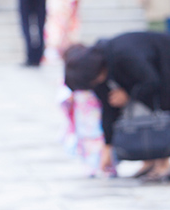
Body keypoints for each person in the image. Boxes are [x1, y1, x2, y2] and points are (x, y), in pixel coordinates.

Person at [64, 32, 170, 181]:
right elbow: (108, 108)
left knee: (158, 115)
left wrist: (128, 95)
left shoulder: (123, 55)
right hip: (155, 78)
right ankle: (151, 161)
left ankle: (163, 163)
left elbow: (152, 81)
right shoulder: (99, 75)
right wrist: (108, 146)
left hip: (164, 64)